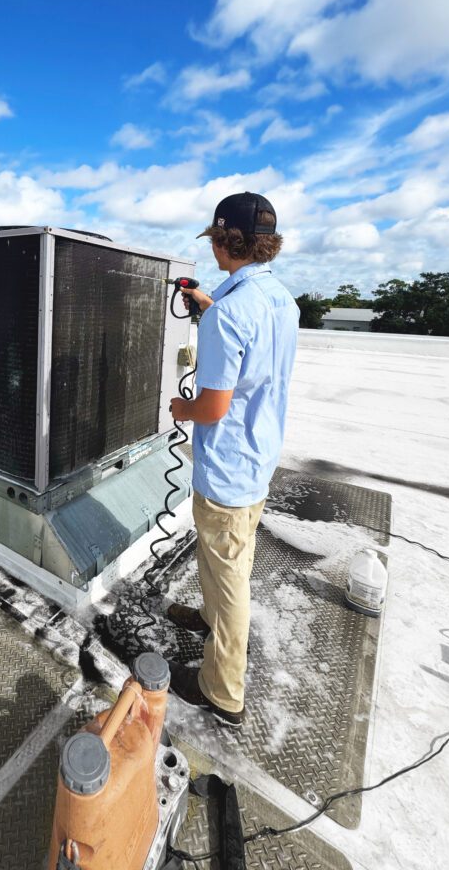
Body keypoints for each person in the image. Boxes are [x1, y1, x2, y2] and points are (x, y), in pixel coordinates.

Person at [167, 191, 299, 727]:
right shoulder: (282, 302)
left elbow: (214, 407)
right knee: (227, 561)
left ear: (228, 240)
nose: (214, 248)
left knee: (231, 577)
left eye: (217, 240)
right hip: (258, 460)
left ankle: (222, 692)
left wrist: (182, 406)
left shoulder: (229, 317)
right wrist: (209, 306)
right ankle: (206, 616)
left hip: (226, 472)